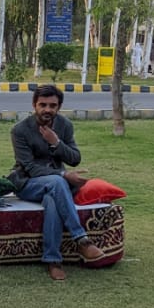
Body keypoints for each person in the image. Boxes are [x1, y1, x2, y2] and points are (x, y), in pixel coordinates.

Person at [8, 84, 105, 281]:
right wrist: (63, 175)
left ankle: (53, 260)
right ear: (34, 105)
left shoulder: (64, 126)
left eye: (52, 105)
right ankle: (82, 239)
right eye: (42, 105)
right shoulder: (20, 130)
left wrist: (56, 143)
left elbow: (75, 158)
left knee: (53, 201)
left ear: (58, 107)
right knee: (57, 182)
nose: (47, 109)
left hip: (55, 185)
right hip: (27, 183)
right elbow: (29, 167)